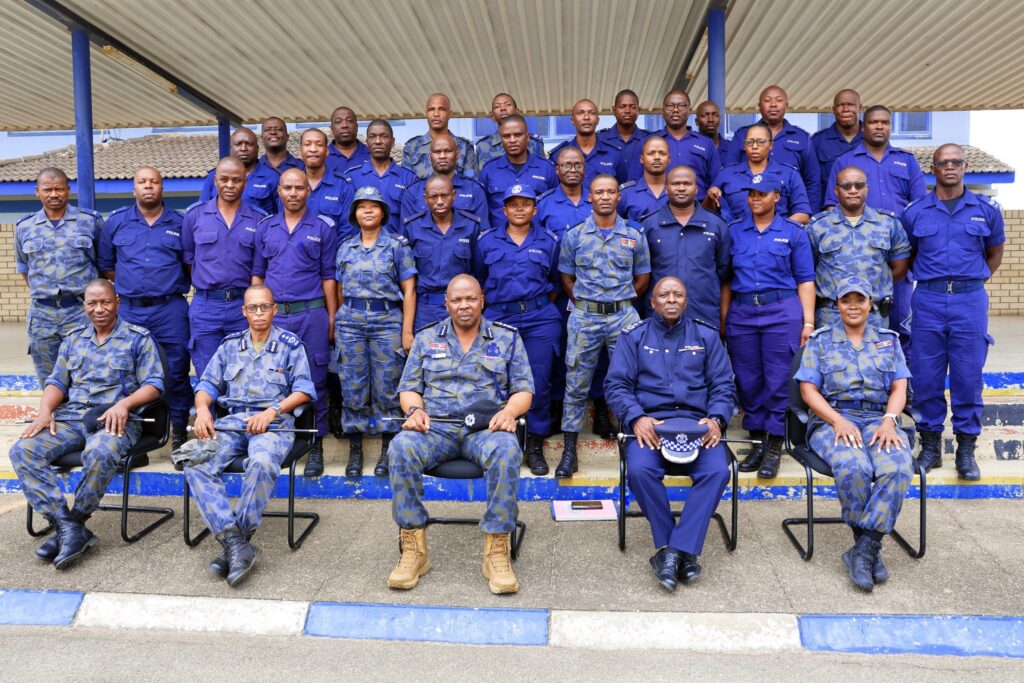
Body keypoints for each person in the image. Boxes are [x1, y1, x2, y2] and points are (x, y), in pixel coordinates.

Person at [386, 274, 533, 594]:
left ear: (482, 300)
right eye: (457, 300)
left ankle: (496, 548)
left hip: (486, 428)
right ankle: (413, 548)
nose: (464, 306)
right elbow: (409, 388)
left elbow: (524, 391)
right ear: (446, 303)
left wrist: (509, 413)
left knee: (507, 450)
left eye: (470, 299)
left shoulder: (506, 338)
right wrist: (415, 412)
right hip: (435, 427)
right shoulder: (426, 339)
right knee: (401, 447)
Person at [9, 278, 163, 569]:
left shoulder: (138, 338)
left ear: (117, 301)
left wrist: (124, 404)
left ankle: (76, 521)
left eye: (105, 302)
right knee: (23, 450)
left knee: (100, 452)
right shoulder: (73, 339)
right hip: (72, 418)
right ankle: (66, 525)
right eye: (92, 303)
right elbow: (57, 381)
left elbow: (154, 385)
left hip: (115, 420)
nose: (99, 309)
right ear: (84, 306)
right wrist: (44, 411)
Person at [605, 277, 736, 590]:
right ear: (652, 302)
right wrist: (636, 418)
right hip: (652, 425)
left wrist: (717, 419)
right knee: (638, 469)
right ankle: (680, 550)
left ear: (686, 301)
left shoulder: (706, 335)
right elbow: (616, 385)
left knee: (718, 470)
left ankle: (671, 552)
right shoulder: (633, 337)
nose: (672, 299)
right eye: (664, 294)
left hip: (698, 425)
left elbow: (723, 385)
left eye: (678, 294)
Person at [184, 285, 315, 587]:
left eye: (264, 307)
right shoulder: (230, 345)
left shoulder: (289, 345)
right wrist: (203, 410)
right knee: (195, 460)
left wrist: (272, 411)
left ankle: (237, 542)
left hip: (274, 424)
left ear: (274, 310)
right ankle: (235, 543)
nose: (259, 313)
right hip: (232, 424)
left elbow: (304, 390)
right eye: (253, 308)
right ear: (244, 312)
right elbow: (206, 385)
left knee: (261, 462)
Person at [795, 276, 913, 592]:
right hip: (832, 419)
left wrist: (890, 420)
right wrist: (836, 421)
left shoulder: (889, 340)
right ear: (837, 305)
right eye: (846, 300)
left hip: (879, 419)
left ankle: (865, 548)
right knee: (855, 466)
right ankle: (866, 547)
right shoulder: (820, 341)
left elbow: (899, 387)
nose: (853, 306)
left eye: (859, 300)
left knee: (898, 467)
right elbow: (808, 390)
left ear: (870, 304)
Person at [902, 144, 1005, 480]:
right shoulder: (916, 211)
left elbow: (994, 255)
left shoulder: (986, 209)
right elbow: (908, 256)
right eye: (943, 163)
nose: (950, 167)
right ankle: (930, 447)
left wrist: (969, 281)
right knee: (926, 375)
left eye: (956, 162)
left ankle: (965, 450)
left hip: (969, 300)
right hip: (928, 299)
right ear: (932, 168)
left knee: (967, 375)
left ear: (964, 167)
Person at [557, 175, 651, 476]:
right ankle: (569, 450)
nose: (606, 196)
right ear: (590, 197)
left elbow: (643, 275)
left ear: (618, 197)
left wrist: (620, 301)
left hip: (623, 315)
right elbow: (567, 277)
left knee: (631, 381)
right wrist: (588, 303)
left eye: (612, 191)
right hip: (585, 316)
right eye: (600, 192)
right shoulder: (574, 235)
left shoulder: (634, 234)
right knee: (576, 384)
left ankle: (631, 444)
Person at [723, 175, 815, 478]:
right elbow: (725, 280)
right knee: (748, 379)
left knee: (777, 379)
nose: (755, 199)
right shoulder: (734, 231)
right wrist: (725, 318)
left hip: (781, 310)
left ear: (777, 196)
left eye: (761, 194)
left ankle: (775, 445)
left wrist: (808, 321)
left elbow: (805, 280)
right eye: (751, 194)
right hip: (743, 310)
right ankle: (758, 442)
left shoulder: (793, 233)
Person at [253, 168, 339, 477]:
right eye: (287, 188)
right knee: (275, 380)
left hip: (311, 314)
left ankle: (315, 444)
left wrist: (331, 317)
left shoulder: (322, 228)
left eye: (299, 188)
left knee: (315, 379)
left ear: (308, 191)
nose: (293, 193)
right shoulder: (265, 228)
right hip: (275, 316)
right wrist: (257, 313)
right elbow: (258, 276)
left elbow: (329, 277)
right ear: (278, 191)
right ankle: (282, 441)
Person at [99, 166, 191, 450]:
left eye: (154, 182)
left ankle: (178, 433)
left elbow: (189, 265)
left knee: (176, 372)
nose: (148, 186)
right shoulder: (116, 222)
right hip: (130, 310)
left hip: (170, 309)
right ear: (134, 188)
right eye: (142, 182)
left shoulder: (181, 222)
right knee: (127, 372)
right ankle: (129, 433)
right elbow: (107, 267)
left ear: (163, 187)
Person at [824, 105, 927, 356]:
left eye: (885, 122)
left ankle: (903, 389)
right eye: (873, 122)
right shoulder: (846, 162)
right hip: (854, 260)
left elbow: (920, 208)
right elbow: (830, 207)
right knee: (849, 330)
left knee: (901, 326)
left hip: (897, 259)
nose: (879, 127)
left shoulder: (907, 160)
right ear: (863, 126)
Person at [473, 184, 562, 475]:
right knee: (494, 378)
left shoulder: (549, 240)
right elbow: (480, 278)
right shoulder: (487, 241)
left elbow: (555, 282)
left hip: (539, 317)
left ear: (535, 209)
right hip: (499, 317)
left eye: (526, 204)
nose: (519, 209)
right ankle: (499, 439)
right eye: (513, 204)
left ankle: (534, 445)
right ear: (504, 210)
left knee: (538, 380)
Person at [335, 186, 417, 478]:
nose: (368, 211)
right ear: (354, 214)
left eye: (374, 206)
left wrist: (407, 332)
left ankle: (387, 450)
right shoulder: (345, 247)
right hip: (351, 321)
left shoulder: (396, 246)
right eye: (362, 206)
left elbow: (409, 291)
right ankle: (355, 450)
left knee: (387, 387)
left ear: (383, 212)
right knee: (353, 386)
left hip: (387, 321)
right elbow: (340, 289)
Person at [15, 167, 101, 386]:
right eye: (48, 189)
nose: (54, 194)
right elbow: (25, 269)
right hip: (42, 315)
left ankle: (82, 420)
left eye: (59, 189)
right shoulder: (25, 227)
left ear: (68, 190)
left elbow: (104, 265)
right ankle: (54, 419)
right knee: (48, 376)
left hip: (81, 312)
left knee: (87, 370)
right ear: (37, 192)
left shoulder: (89, 222)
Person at [182, 156, 267, 377]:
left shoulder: (259, 219)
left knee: (245, 373)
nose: (230, 185)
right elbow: (189, 259)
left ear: (245, 182)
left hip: (242, 307)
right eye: (224, 179)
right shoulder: (195, 216)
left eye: (236, 180)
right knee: (208, 374)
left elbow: (260, 268)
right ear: (215, 181)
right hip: (206, 307)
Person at [807, 166, 911, 329]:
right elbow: (808, 272)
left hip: (873, 315)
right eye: (846, 186)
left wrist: (871, 290)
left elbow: (900, 268)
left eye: (859, 185)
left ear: (867, 189)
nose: (853, 190)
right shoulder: (818, 227)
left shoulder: (888, 223)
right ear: (836, 191)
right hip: (831, 315)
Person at [640, 166, 731, 328]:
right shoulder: (649, 225)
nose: (681, 188)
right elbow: (641, 274)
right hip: (658, 318)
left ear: (696, 189)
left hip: (704, 315)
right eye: (675, 184)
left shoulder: (716, 225)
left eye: (687, 184)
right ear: (666, 188)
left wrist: (724, 317)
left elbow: (724, 274)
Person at [402, 175, 482, 331]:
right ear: (425, 198)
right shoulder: (412, 227)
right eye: (433, 196)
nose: (439, 201)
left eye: (444, 195)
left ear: (454, 195)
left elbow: (479, 274)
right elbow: (406, 277)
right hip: (425, 310)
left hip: (463, 309)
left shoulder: (471, 226)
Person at [723, 85, 821, 212]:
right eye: (767, 100)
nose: (773, 104)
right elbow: (729, 175)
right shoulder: (742, 135)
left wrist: (809, 218)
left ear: (786, 104)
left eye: (779, 100)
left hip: (789, 216)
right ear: (759, 105)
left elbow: (812, 182)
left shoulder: (802, 138)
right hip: (747, 212)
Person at [705, 123, 811, 224]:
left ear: (771, 145)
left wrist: (778, 230)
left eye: (761, 141)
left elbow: (802, 214)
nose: (755, 146)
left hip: (777, 240)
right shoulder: (727, 174)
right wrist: (710, 198)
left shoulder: (789, 174)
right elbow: (707, 213)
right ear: (744, 146)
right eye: (750, 142)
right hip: (736, 239)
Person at [622, 90, 719, 200]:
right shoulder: (648, 142)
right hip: (656, 209)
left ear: (689, 111)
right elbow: (635, 181)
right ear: (663, 111)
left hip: (698, 208)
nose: (676, 110)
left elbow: (716, 182)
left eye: (681, 106)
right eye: (670, 106)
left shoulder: (705, 143)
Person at [201, 119, 304, 215]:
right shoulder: (214, 176)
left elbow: (282, 217)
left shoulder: (273, 177)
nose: (243, 148)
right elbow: (202, 213)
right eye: (239, 144)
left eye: (248, 144)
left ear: (257, 148)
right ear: (231, 148)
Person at [478, 114, 557, 229]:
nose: (512, 140)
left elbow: (554, 207)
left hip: (537, 242)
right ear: (501, 139)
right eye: (506, 136)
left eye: (517, 135)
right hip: (498, 243)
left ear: (528, 137)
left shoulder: (546, 168)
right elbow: (482, 211)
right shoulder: (489, 170)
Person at [400, 133, 490, 229]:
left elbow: (483, 232)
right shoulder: (413, 192)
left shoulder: (474, 190)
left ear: (457, 155)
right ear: (430, 156)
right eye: (437, 152)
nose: (442, 156)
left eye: (447, 151)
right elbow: (406, 233)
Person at [344, 119, 417, 234]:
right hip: (360, 249)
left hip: (397, 248)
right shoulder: (351, 177)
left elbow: (412, 220)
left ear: (392, 142)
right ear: (367, 142)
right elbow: (347, 220)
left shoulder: (408, 178)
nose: (378, 141)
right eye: (372, 137)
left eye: (384, 136)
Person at [294, 128, 354, 238]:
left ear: (327, 151)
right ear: (300, 151)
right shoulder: (291, 184)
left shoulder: (343, 185)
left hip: (332, 253)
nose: (313, 149)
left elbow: (347, 229)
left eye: (319, 145)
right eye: (307, 144)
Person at [402, 93, 478, 179]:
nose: (436, 114)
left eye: (441, 109)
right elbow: (406, 184)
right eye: (431, 109)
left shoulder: (465, 147)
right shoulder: (411, 147)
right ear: (426, 114)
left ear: (450, 114)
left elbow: (470, 184)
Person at [549, 99, 624, 186]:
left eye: (592, 113)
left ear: (598, 120)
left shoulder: (614, 154)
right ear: (572, 120)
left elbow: (622, 190)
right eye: (580, 113)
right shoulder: (558, 155)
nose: (586, 117)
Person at [811, 89, 863, 209]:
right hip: (829, 213)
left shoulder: (872, 139)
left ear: (860, 108)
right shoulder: (818, 141)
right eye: (840, 105)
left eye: (850, 104)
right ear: (833, 110)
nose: (845, 109)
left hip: (867, 215)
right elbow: (812, 183)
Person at [474, 93, 546, 173]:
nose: (503, 109)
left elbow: (544, 172)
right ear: (492, 116)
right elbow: (478, 179)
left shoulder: (534, 143)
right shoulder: (482, 146)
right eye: (497, 107)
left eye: (508, 105)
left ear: (517, 112)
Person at [535, 146, 591, 238]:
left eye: (578, 165)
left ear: (584, 169)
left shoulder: (597, 201)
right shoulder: (543, 204)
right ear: (557, 170)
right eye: (566, 165)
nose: (573, 170)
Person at [618, 136, 670, 223]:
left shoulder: (679, 191)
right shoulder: (626, 194)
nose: (657, 157)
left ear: (669, 159)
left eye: (662, 153)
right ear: (641, 159)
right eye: (651, 153)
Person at [597, 89, 650, 173]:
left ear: (638, 110)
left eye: (632, 107)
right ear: (614, 110)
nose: (627, 111)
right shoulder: (599, 140)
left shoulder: (648, 139)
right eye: (622, 107)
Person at [326, 106, 371, 177]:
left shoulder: (371, 155)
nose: (344, 125)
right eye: (338, 122)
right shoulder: (322, 157)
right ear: (332, 129)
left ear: (356, 127)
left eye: (349, 120)